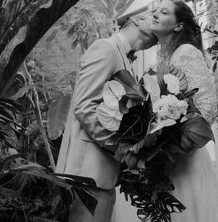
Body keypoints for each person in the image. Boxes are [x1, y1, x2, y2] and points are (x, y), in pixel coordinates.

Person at [113, 0, 218, 222]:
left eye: (164, 13)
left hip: (182, 158)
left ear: (178, 25)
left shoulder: (186, 52)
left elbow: (208, 108)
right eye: (155, 10)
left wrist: (172, 141)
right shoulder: (161, 55)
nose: (155, 15)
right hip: (161, 159)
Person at [56, 14, 158, 222]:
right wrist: (123, 149)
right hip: (88, 174)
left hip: (103, 174)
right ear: (137, 19)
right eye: (153, 16)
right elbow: (84, 106)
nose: (158, 22)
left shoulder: (124, 58)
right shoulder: (106, 49)